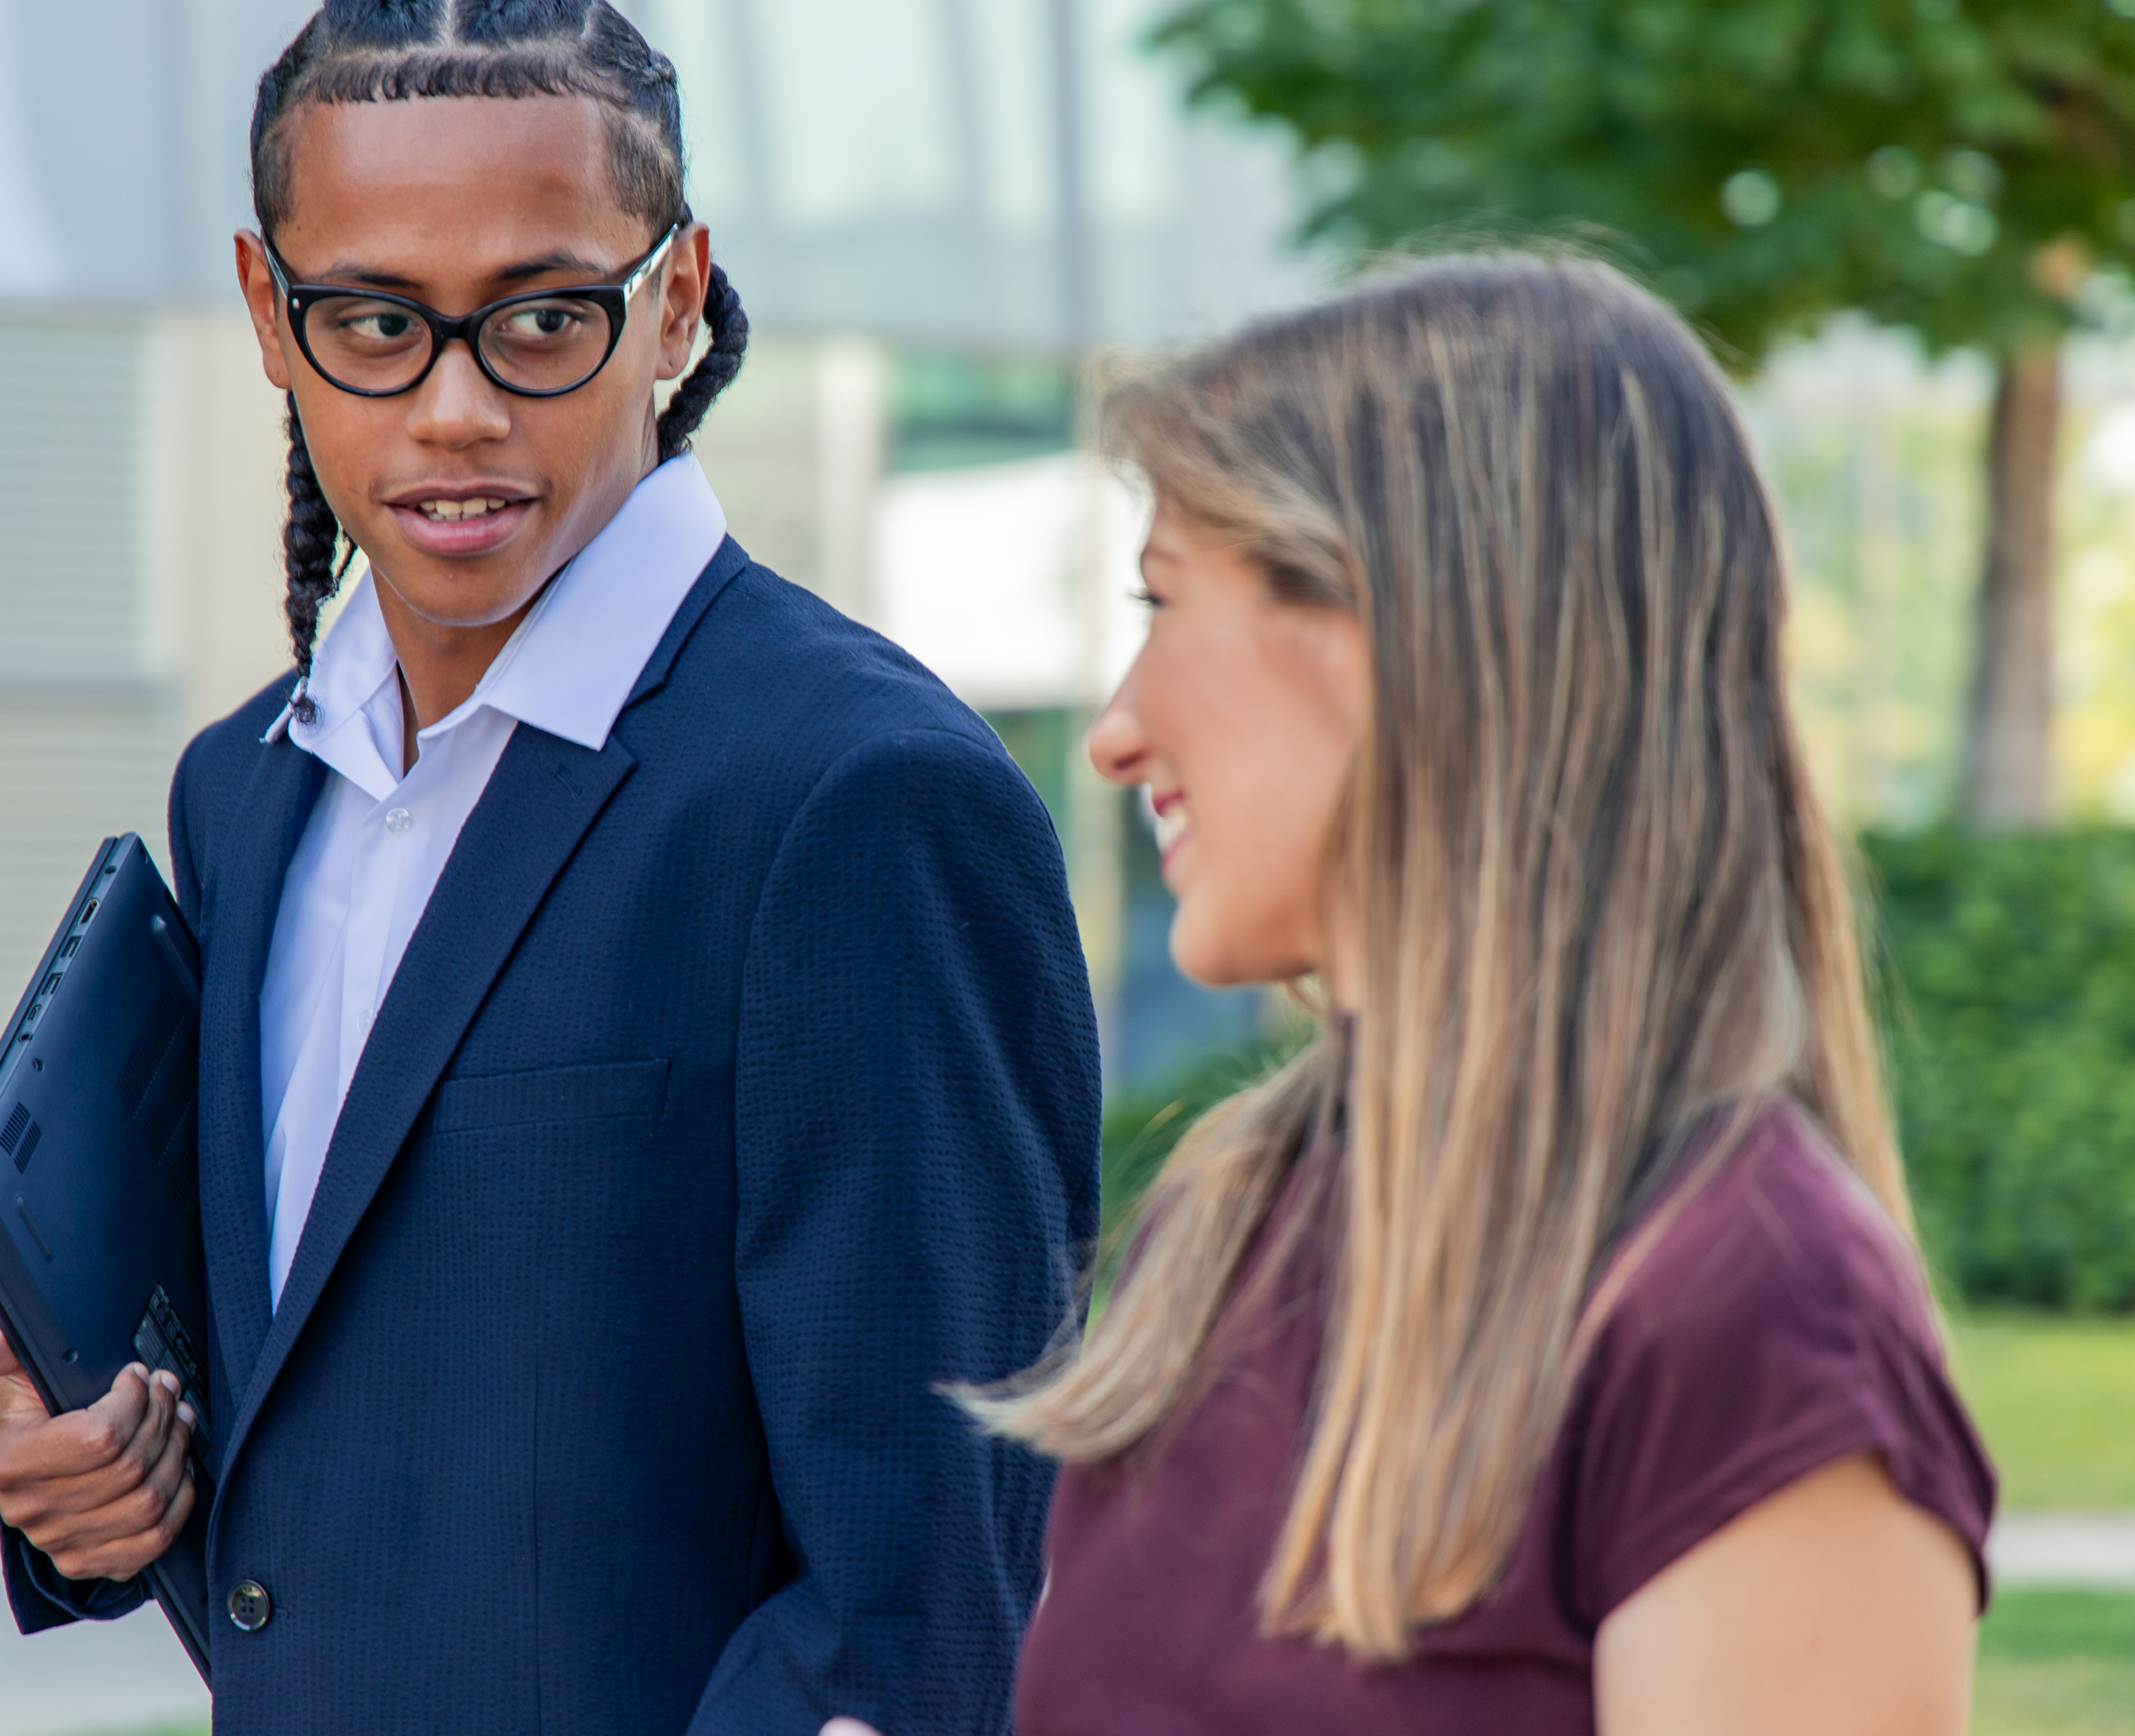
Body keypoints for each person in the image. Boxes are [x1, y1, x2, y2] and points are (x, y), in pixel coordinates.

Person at [0, 0, 1101, 1735]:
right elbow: (331, 1431)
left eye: (545, 317)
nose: (457, 408)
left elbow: (927, 1609)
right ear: (267, 313)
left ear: (676, 300)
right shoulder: (246, 790)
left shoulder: (863, 800)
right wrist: (97, 1478)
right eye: (374, 321)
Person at [841, 255, 1996, 1736]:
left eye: (1165, 602)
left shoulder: (1755, 1319)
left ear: (1402, 635)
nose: (1116, 733)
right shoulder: (1235, 1217)